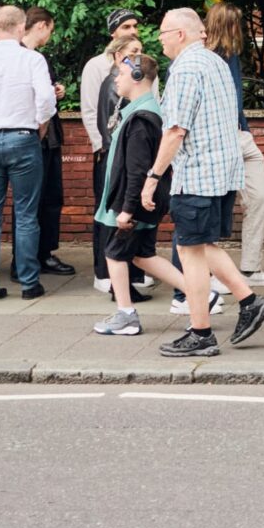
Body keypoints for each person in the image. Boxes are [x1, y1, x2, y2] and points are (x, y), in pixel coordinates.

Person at [144, 8, 264, 356]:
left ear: (181, 35)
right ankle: (250, 302)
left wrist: (153, 176)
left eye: (163, 33)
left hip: (197, 174)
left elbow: (175, 131)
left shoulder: (185, 69)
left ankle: (201, 332)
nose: (159, 39)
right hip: (222, 172)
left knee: (189, 251)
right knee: (201, 245)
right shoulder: (216, 62)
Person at [91, 50, 186, 337]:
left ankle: (126, 315)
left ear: (136, 77)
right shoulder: (139, 112)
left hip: (131, 203)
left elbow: (137, 170)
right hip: (135, 200)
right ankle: (199, 294)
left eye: (119, 74)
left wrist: (126, 209)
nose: (115, 80)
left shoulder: (141, 119)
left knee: (115, 253)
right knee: (142, 254)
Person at [0, 3, 55, 302]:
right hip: (23, 137)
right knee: (26, 214)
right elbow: (45, 99)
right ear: (21, 27)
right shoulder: (32, 60)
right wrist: (40, 125)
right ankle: (29, 282)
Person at [206, 4, 264, 289]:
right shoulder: (207, 58)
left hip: (242, 136)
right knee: (216, 205)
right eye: (236, 24)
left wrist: (244, 130)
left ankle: (250, 268)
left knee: (259, 198)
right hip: (221, 140)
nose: (240, 30)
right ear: (226, 25)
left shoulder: (232, 56)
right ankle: (209, 274)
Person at [79, 10, 144, 298]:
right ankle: (103, 272)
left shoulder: (143, 64)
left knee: (133, 209)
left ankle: (135, 271)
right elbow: (90, 109)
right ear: (113, 33)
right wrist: (100, 146)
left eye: (135, 26)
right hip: (107, 148)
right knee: (107, 210)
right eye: (126, 26)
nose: (132, 30)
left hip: (134, 149)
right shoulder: (96, 66)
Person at [22, 7, 78, 279]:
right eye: (51, 29)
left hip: (49, 137)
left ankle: (44, 252)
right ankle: (27, 258)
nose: (51, 36)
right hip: (34, 136)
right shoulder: (21, 57)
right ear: (41, 25)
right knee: (32, 201)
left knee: (52, 197)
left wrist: (57, 92)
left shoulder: (41, 58)